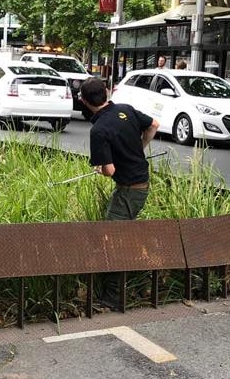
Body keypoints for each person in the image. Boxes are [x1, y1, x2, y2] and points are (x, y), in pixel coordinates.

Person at [79, 77, 159, 310]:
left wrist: (100, 167)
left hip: (129, 191)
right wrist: (139, 148)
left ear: (84, 101)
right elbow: (154, 124)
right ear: (106, 92)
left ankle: (113, 297)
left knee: (112, 239)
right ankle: (121, 288)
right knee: (120, 235)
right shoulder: (125, 109)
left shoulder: (99, 130)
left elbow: (109, 170)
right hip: (140, 183)